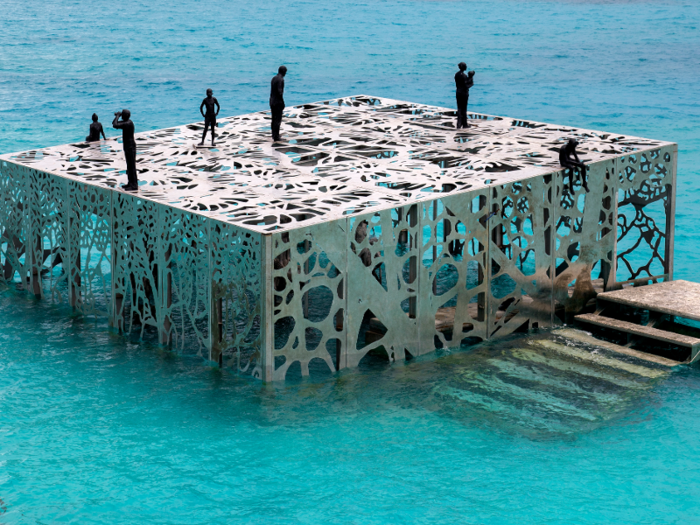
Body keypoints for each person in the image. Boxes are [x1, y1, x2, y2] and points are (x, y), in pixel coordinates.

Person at [112, 109, 138, 192]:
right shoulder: (127, 122)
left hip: (130, 147)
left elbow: (115, 125)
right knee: (129, 166)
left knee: (131, 167)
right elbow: (114, 124)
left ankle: (134, 185)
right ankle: (130, 183)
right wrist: (117, 116)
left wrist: (117, 116)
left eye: (122, 114)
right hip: (128, 147)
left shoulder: (128, 123)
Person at [455, 62, 475, 129]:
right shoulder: (464, 76)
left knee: (459, 108)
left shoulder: (456, 74)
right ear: (463, 67)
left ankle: (459, 124)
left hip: (458, 93)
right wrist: (471, 81)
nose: (466, 67)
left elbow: (461, 83)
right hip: (464, 93)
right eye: (465, 66)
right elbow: (466, 85)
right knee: (464, 109)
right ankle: (464, 124)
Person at [270, 65, 287, 141]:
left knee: (273, 118)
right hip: (277, 102)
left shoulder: (273, 78)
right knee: (278, 119)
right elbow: (280, 92)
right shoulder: (281, 80)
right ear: (283, 72)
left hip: (272, 101)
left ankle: (273, 134)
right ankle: (276, 137)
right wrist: (282, 102)